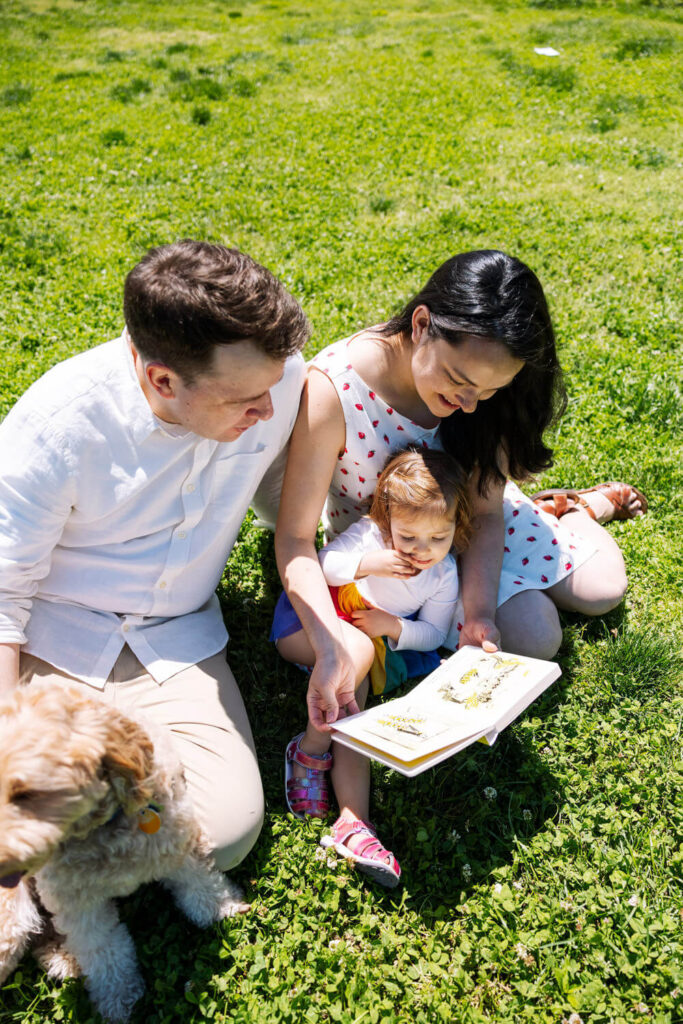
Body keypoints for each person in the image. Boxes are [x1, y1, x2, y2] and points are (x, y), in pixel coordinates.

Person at [274, 249, 647, 778]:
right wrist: (328, 638)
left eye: (490, 392)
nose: (470, 406)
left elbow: (488, 513)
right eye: (459, 382)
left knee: (600, 593)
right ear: (422, 324)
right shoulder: (332, 390)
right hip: (407, 548)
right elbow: (293, 539)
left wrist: (477, 616)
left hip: (480, 518)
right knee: (541, 637)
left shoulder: (477, 392)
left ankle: (577, 511)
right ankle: (559, 512)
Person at [0, 240, 309, 871]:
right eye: (244, 400)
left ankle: (57, 860)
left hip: (178, 638)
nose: (269, 411)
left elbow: (288, 503)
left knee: (223, 834)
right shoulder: (58, 424)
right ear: (161, 379)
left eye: (274, 387)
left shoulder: (274, 379)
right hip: (54, 637)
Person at [273, 447, 472, 886]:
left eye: (438, 539)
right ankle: (310, 748)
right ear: (386, 522)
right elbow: (323, 564)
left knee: (356, 707)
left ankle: (353, 822)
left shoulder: (443, 575)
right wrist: (368, 563)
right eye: (408, 538)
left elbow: (435, 635)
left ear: (455, 528)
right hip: (312, 623)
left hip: (367, 642)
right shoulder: (369, 537)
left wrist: (395, 625)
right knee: (357, 654)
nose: (422, 551)